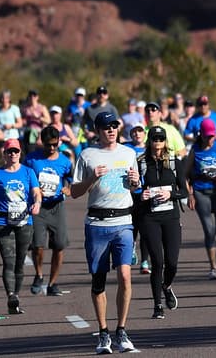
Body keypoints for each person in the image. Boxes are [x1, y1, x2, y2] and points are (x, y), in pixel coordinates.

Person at [70, 111, 141, 355]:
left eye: (114, 126)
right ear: (98, 130)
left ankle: (121, 330)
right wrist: (92, 177)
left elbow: (135, 187)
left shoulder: (128, 153)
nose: (111, 130)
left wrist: (135, 181)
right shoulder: (87, 155)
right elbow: (75, 192)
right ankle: (103, 332)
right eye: (106, 127)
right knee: (98, 280)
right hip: (97, 223)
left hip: (123, 221)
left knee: (125, 275)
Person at [0, 136, 41, 316]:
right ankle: (11, 294)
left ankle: (15, 298)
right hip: (2, 222)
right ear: (4, 154)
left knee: (20, 262)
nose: (13, 154)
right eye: (9, 151)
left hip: (24, 222)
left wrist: (37, 203)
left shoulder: (28, 172)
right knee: (8, 260)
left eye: (16, 151)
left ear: (20, 153)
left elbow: (36, 192)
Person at [137, 125, 182, 319]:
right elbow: (133, 189)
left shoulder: (173, 162)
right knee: (157, 262)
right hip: (150, 218)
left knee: (172, 263)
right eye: (154, 139)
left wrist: (171, 194)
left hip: (171, 217)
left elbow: (184, 191)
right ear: (149, 141)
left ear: (165, 141)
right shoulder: (141, 163)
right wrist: (141, 195)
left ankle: (167, 285)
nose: (157, 143)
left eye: (160, 139)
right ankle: (157, 305)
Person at [185, 117, 216, 279]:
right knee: (209, 231)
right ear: (201, 135)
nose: (210, 139)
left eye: (212, 136)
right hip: (201, 192)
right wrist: (190, 194)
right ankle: (213, 268)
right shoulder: (195, 150)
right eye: (207, 136)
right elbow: (185, 175)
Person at [25, 125, 73, 297]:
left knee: (59, 245)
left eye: (54, 144)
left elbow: (71, 180)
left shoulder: (65, 162)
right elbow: (24, 178)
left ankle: (53, 283)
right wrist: (33, 190)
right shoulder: (31, 159)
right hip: (38, 206)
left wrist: (68, 189)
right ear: (42, 142)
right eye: (48, 145)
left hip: (56, 207)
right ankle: (39, 275)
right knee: (38, 245)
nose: (51, 148)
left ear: (59, 142)